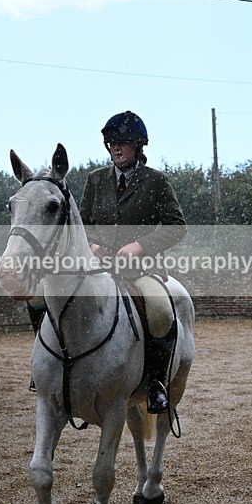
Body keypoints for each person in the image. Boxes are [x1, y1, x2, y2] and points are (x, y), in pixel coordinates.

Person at [79, 110, 187, 413]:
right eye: (112, 142)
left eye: (123, 142)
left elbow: (176, 226)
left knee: (161, 310)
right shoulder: (95, 180)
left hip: (142, 270)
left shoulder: (156, 181)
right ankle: (57, 372)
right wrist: (92, 244)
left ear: (137, 146)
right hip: (98, 268)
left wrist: (141, 246)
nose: (116, 147)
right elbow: (82, 223)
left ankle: (156, 384)